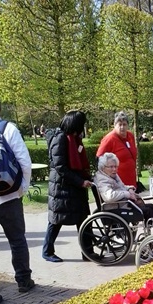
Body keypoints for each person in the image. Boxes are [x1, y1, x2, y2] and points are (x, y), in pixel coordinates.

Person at [0, 95, 35, 304]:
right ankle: (23, 281)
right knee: (17, 240)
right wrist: (21, 190)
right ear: (0, 109)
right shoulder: (7, 129)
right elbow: (24, 162)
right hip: (8, 195)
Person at [42, 110, 92, 263]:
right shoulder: (60, 139)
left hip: (73, 186)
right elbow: (60, 167)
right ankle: (47, 251)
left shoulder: (74, 138)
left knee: (83, 220)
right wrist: (80, 181)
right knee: (56, 220)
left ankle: (88, 252)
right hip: (62, 186)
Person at [94, 153, 153, 231]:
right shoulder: (102, 180)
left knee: (151, 206)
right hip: (115, 208)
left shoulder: (112, 175)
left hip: (122, 205)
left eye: (115, 166)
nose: (114, 169)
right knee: (148, 211)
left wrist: (129, 189)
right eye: (111, 167)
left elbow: (122, 187)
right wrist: (127, 194)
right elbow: (109, 197)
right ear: (103, 168)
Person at [96, 111, 137, 187]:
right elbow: (99, 159)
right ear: (115, 125)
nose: (122, 127)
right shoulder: (109, 139)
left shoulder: (130, 136)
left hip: (131, 179)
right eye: (120, 125)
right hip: (117, 183)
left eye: (124, 124)